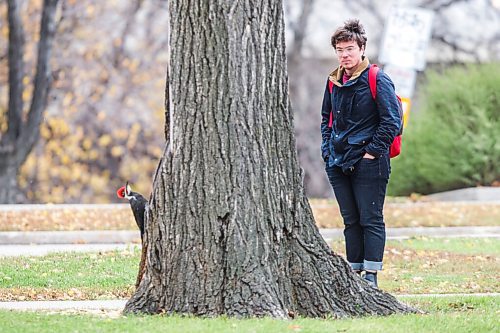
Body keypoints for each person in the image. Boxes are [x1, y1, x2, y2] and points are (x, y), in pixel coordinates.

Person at [320, 19, 401, 288]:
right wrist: (327, 150)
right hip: (338, 161)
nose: (344, 54)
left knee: (371, 219)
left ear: (362, 48)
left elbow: (392, 121)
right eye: (340, 49)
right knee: (350, 221)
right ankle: (354, 275)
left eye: (350, 48)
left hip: (370, 162)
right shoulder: (333, 81)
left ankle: (372, 276)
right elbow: (326, 118)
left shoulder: (378, 78)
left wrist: (371, 153)